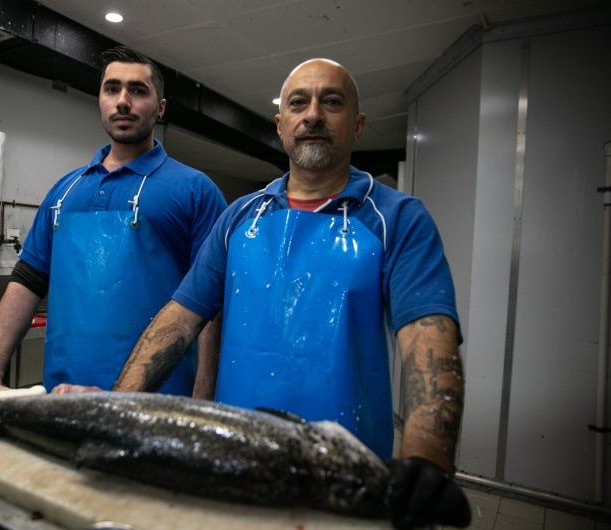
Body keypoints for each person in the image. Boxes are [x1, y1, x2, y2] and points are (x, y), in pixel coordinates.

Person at [113, 58, 471, 529]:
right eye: (299, 103)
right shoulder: (240, 216)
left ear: (358, 126)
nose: (314, 115)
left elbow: (429, 343)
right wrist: (116, 408)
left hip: (347, 476)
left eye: (333, 102)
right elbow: (179, 319)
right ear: (281, 126)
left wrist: (426, 457)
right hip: (233, 462)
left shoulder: (398, 219)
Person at [0, 46, 227, 397]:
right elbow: (27, 282)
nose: (122, 101)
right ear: (100, 100)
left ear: (160, 108)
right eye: (112, 89)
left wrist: (201, 404)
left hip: (157, 404)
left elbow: (210, 309)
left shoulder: (195, 190)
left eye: (138, 91)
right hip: (61, 395)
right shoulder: (65, 190)